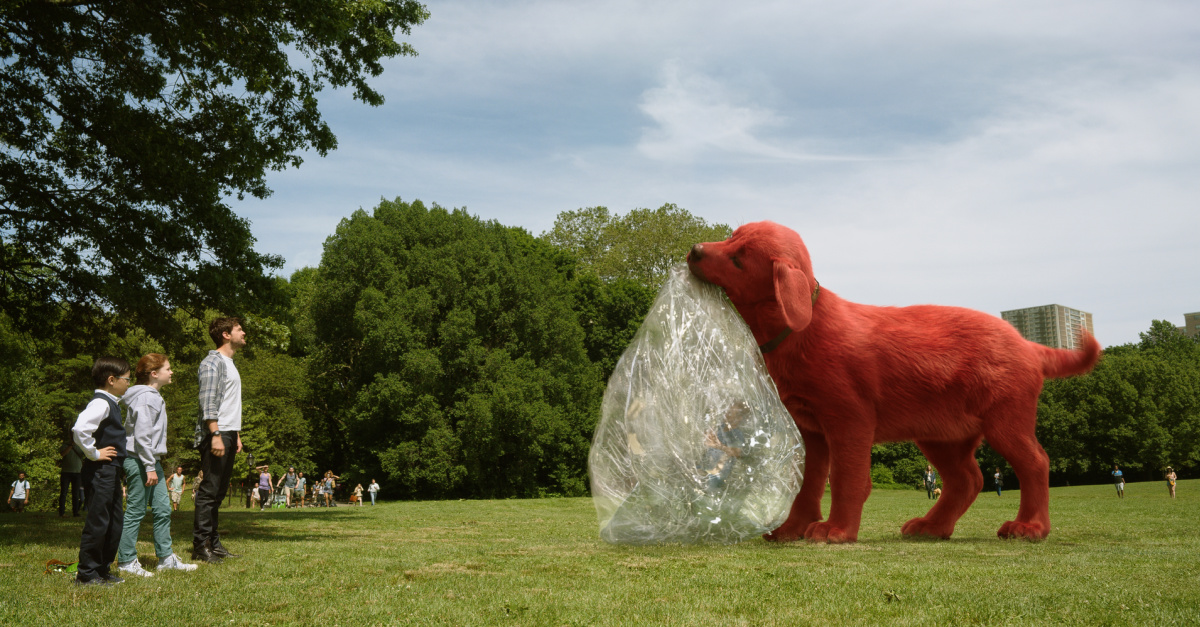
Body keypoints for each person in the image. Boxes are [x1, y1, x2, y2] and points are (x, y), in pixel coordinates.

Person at [117, 354, 198, 576]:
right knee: (136, 510)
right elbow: (142, 436)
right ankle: (126, 561)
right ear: (154, 374)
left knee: (163, 509)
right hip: (140, 460)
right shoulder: (146, 398)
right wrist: (149, 466)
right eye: (168, 369)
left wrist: (153, 464)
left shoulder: (151, 396)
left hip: (151, 461)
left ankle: (165, 558)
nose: (171, 372)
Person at [71, 356, 132, 586]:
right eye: (126, 379)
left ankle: (102, 569)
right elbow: (80, 429)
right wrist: (94, 454)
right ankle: (87, 573)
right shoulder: (101, 403)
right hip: (100, 470)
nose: (128, 383)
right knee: (98, 521)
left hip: (111, 470)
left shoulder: (111, 402)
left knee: (114, 521)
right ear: (111, 379)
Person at [192, 317, 246, 564]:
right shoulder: (212, 362)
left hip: (227, 432)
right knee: (209, 491)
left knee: (219, 492)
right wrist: (215, 434)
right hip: (217, 433)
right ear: (226, 334)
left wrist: (236, 435)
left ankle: (213, 543)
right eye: (238, 329)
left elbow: (229, 403)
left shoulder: (230, 363)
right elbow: (208, 402)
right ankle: (200, 546)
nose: (243, 332)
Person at [699, 401, 750, 495]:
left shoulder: (737, 435)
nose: (726, 415)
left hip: (716, 475)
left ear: (739, 418)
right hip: (704, 466)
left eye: (731, 413)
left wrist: (720, 446)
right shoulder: (720, 427)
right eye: (727, 411)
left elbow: (737, 452)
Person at [58, 442, 84, 517]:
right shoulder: (64, 445)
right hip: (66, 472)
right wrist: (71, 445)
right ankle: (61, 512)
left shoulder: (81, 445)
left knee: (76, 494)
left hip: (77, 472)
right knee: (63, 493)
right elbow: (62, 454)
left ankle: (75, 512)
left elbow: (84, 455)